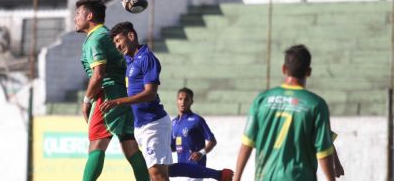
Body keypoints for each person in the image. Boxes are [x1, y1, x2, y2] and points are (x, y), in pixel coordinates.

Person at [100, 21, 234, 181]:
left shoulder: (147, 58)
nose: (117, 45)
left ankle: (219, 175)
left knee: (157, 174)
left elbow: (150, 93)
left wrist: (118, 102)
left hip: (153, 124)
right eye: (114, 42)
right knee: (166, 170)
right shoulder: (130, 61)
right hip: (141, 125)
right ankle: (219, 175)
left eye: (118, 40)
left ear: (131, 36)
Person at [234, 45, 344, 181]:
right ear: (309, 71)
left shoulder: (262, 100)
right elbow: (323, 148)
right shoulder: (315, 104)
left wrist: (236, 178)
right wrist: (334, 170)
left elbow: (247, 144)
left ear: (284, 69)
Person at [74, 0, 149, 181]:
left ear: (89, 16)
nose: (75, 18)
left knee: (96, 145)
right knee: (130, 145)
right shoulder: (107, 35)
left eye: (78, 14)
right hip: (123, 93)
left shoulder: (95, 38)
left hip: (107, 95)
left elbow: (99, 74)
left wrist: (87, 100)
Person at [171, 87, 233, 181]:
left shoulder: (197, 120)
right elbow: (172, 147)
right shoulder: (173, 123)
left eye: (186, 99)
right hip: (180, 169)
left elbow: (212, 141)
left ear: (191, 101)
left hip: (196, 169)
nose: (183, 102)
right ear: (177, 100)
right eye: (180, 99)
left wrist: (201, 153)